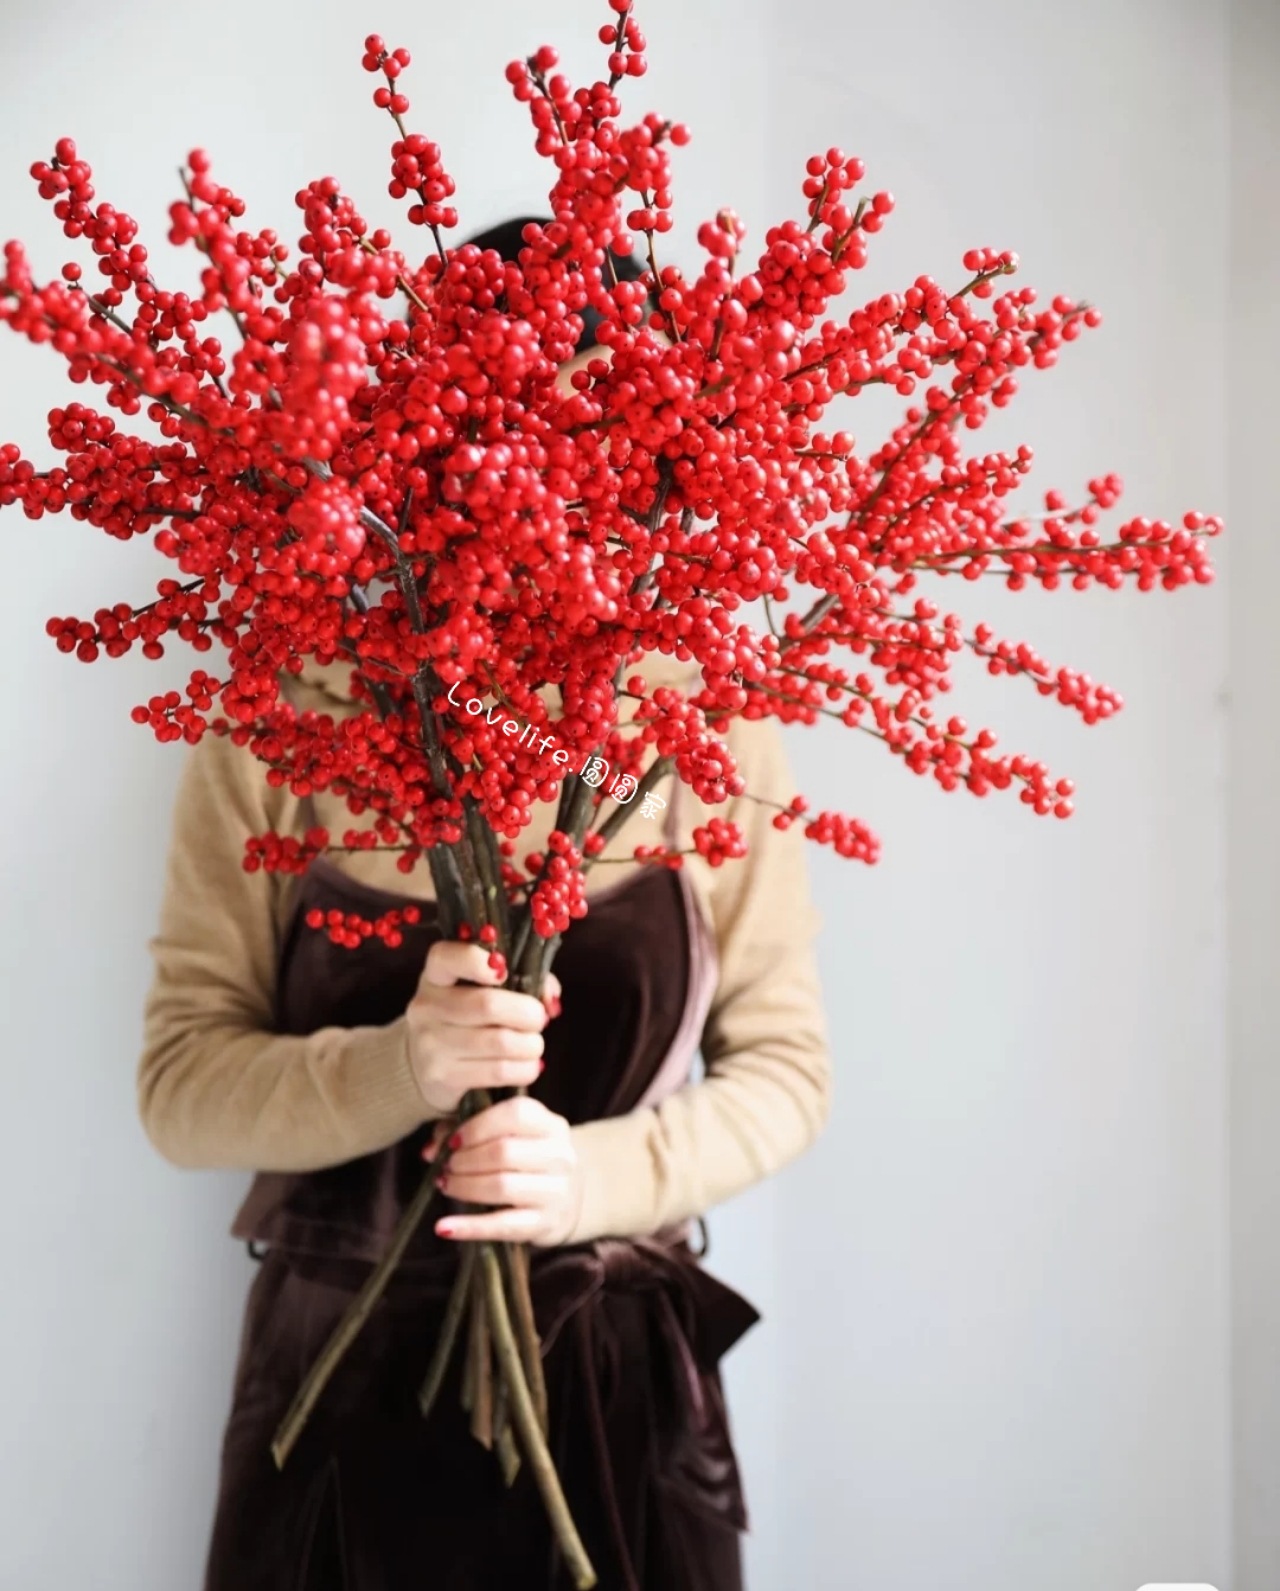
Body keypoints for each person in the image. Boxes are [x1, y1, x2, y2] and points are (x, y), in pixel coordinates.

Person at [137, 217, 832, 1591]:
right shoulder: (294, 702)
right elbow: (180, 1087)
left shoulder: (702, 717)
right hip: (338, 1393)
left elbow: (790, 1072)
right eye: (511, 448)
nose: (552, 507)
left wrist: (596, 1179)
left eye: (604, 464)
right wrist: (396, 1067)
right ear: (429, 434)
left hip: (618, 1392)